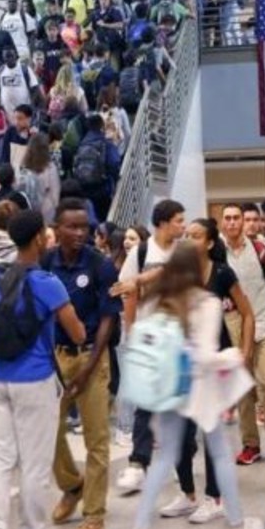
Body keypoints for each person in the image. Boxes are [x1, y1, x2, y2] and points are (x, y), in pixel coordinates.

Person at [122, 243, 265, 529]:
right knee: (220, 455)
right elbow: (203, 355)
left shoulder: (157, 302)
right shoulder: (208, 303)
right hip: (202, 391)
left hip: (167, 391)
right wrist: (230, 357)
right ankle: (239, 526)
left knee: (163, 459)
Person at [0, 210, 87, 529]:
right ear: (39, 238)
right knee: (36, 464)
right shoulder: (45, 281)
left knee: (0, 458)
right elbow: (78, 333)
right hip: (35, 381)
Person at [45, 199, 121, 529]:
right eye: (72, 227)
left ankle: (94, 515)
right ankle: (72, 485)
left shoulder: (101, 265)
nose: (79, 233)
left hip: (93, 356)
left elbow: (109, 317)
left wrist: (89, 368)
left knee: (96, 440)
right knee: (48, 432)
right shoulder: (46, 263)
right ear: (56, 229)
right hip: (55, 358)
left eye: (84, 227)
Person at [170, 217, 255, 522]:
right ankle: (187, 493)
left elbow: (246, 313)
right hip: (183, 364)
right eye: (186, 235)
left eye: (195, 235)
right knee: (179, 434)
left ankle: (214, 497)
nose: (188, 240)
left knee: (210, 432)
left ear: (208, 242)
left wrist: (244, 352)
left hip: (213, 362)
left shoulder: (221, 273)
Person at [116, 200, 187, 494]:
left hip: (179, 337)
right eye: (178, 221)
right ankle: (138, 464)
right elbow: (128, 292)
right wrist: (131, 331)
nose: (183, 226)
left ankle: (181, 468)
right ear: (163, 223)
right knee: (144, 404)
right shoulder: (142, 252)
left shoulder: (185, 252)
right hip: (148, 336)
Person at [219, 204, 265, 466]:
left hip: (264, 323)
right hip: (234, 328)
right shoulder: (216, 254)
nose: (232, 223)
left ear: (245, 223)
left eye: (237, 218)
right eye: (228, 218)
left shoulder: (261, 251)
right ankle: (250, 445)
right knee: (243, 390)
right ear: (222, 223)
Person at [74, 114, 122, 224]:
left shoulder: (82, 145)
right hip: (103, 189)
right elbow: (114, 163)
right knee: (104, 219)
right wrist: (113, 180)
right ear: (102, 127)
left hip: (85, 189)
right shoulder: (105, 143)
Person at [18, 132, 61, 223]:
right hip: (46, 210)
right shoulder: (50, 167)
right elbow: (55, 193)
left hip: (27, 211)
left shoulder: (24, 166)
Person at [0, 51, 43, 126]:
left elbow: (35, 87)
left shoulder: (25, 69)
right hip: (8, 110)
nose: (9, 59)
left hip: (24, 107)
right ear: (3, 58)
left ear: (16, 56)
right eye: (7, 57)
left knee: (25, 127)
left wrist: (31, 103)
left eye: (11, 56)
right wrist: (0, 102)